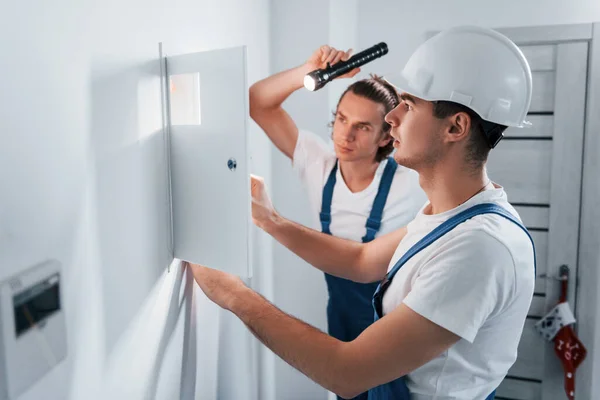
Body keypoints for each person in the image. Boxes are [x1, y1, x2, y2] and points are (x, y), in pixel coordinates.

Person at [185, 26, 536, 399]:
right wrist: (269, 219)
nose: (393, 118)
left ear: (455, 126)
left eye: (410, 104)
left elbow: (347, 372)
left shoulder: (479, 248)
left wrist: (232, 293)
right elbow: (363, 260)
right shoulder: (449, 217)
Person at [249, 43, 426, 399]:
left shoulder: (411, 180)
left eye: (362, 127)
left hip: (395, 327)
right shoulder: (317, 163)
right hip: (341, 318)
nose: (345, 135)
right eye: (342, 119)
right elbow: (258, 102)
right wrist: (309, 69)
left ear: (386, 135)